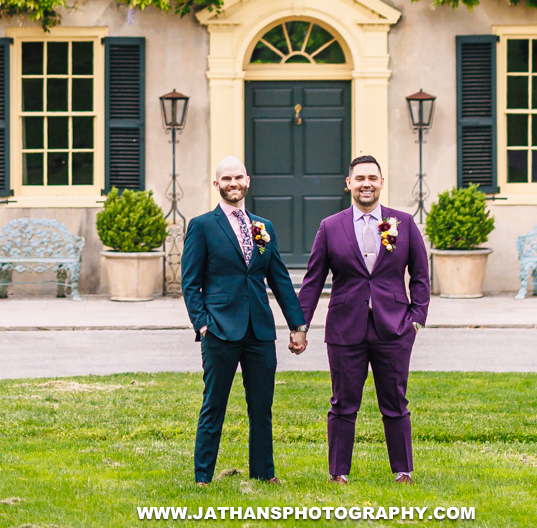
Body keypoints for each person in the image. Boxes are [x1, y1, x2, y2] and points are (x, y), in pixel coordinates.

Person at [298, 154, 430, 484]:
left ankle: (403, 471)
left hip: (394, 327)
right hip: (345, 328)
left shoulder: (404, 223)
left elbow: (421, 275)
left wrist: (416, 318)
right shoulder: (330, 227)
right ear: (349, 184)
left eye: (372, 178)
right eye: (359, 179)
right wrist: (299, 326)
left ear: (381, 183)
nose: (366, 184)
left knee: (395, 402)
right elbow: (313, 280)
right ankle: (338, 473)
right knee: (343, 403)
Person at [180, 154, 308, 485]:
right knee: (214, 405)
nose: (233, 184)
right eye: (226, 179)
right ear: (216, 184)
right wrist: (203, 324)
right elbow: (190, 283)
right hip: (220, 329)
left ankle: (265, 474)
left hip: (260, 331)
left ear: (247, 181)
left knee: (261, 408)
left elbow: (279, 278)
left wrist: (297, 325)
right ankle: (203, 477)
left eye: (238, 178)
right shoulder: (202, 226)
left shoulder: (263, 227)